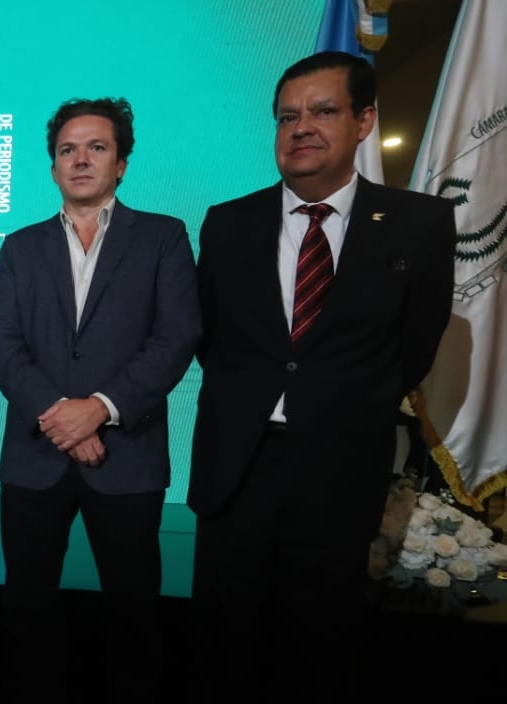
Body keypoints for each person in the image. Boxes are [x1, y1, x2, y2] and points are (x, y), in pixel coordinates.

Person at [188, 51, 455, 696]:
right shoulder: (228, 222)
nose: (301, 127)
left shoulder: (418, 223)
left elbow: (414, 346)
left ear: (364, 121)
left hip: (339, 468)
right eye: (287, 116)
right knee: (225, 647)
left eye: (323, 110)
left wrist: (338, 400)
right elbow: (210, 335)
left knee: (321, 645)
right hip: (238, 469)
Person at [0, 97, 201, 702]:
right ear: (53, 167)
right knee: (25, 609)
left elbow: (176, 336)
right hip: (34, 457)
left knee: (133, 613)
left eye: (96, 147)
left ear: (122, 163)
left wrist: (99, 408)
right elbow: (1, 340)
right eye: (67, 150)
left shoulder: (162, 236)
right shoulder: (21, 246)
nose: (80, 159)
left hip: (126, 458)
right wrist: (62, 420)